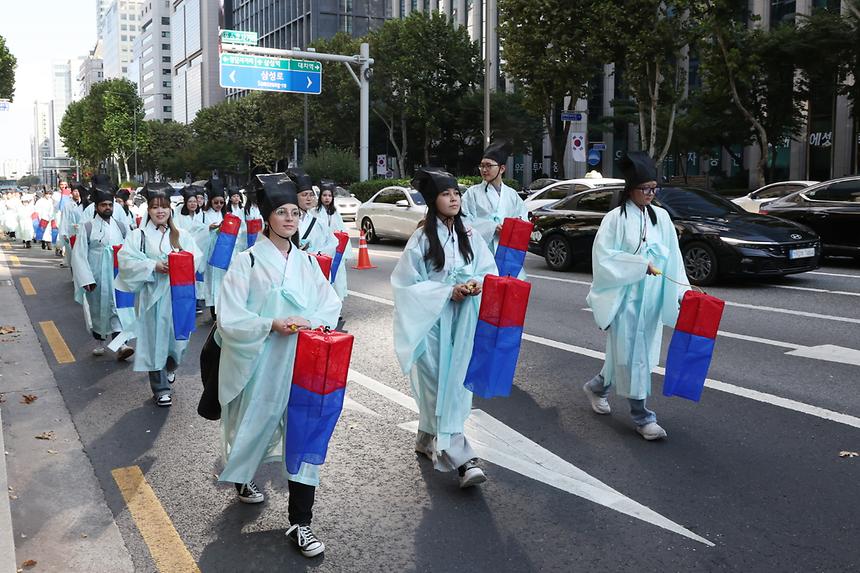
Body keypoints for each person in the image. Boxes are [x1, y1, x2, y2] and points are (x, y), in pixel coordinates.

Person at [216, 172, 341, 558]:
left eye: (294, 213)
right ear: (267, 217)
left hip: (303, 363)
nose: (290, 219)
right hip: (261, 362)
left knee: (304, 436)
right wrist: (270, 324)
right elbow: (229, 316)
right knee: (251, 426)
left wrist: (310, 322)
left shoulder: (306, 263)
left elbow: (329, 303)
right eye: (282, 212)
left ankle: (301, 522)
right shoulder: (247, 261)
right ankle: (242, 474)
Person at [391, 167, 497, 488]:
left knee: (457, 384)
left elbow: (487, 269)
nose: (453, 199)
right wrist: (445, 291)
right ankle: (463, 459)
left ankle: (427, 437)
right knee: (440, 385)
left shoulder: (470, 235)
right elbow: (405, 284)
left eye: (456, 193)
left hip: (462, 322)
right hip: (432, 323)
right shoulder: (422, 239)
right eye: (445, 194)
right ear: (432, 200)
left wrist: (475, 284)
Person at [583, 151, 689, 440]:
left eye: (654, 189)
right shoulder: (615, 219)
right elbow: (604, 257)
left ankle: (597, 387)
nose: (651, 194)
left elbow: (674, 258)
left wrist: (681, 290)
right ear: (631, 189)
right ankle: (642, 417)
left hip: (651, 298)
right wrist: (640, 265)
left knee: (629, 353)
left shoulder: (662, 218)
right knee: (633, 355)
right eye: (646, 189)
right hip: (625, 298)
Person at [116, 181, 202, 407]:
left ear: (170, 209)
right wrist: (153, 266)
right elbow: (126, 261)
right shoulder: (138, 236)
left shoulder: (181, 235)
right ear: (149, 210)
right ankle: (160, 388)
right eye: (155, 207)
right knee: (155, 342)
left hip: (179, 297)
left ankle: (171, 366)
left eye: (164, 206)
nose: (160, 211)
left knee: (178, 344)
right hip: (152, 297)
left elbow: (196, 258)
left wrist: (179, 264)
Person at [70, 183, 135, 360]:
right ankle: (99, 341)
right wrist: (86, 279)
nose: (107, 208)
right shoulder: (88, 227)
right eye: (103, 205)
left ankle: (121, 345)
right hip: (96, 275)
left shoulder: (121, 226)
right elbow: (79, 255)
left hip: (117, 274)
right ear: (96, 207)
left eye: (110, 205)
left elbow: (131, 250)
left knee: (118, 309)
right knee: (98, 310)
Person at [461, 140, 528, 261]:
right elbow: (463, 221)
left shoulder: (512, 195)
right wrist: (491, 227)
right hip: (481, 253)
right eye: (482, 166)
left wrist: (511, 228)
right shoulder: (472, 193)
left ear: (502, 169)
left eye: (489, 166)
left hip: (507, 252)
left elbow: (523, 220)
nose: (484, 170)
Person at [315, 181, 351, 300]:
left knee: (337, 278)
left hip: (335, 252)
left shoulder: (335, 213)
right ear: (320, 197)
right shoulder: (315, 212)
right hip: (320, 251)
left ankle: (337, 304)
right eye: (324, 195)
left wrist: (344, 252)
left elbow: (342, 232)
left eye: (329, 195)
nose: (327, 198)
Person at [201, 178, 227, 320]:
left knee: (224, 282)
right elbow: (198, 232)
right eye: (216, 202)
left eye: (221, 203)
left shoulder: (226, 215)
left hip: (224, 252)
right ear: (210, 201)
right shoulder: (204, 215)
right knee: (213, 282)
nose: (218, 205)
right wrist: (209, 228)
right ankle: (214, 311)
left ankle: (224, 310)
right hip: (211, 253)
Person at [57, 184, 87, 269]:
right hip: (71, 233)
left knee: (81, 256)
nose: (77, 193)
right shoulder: (67, 205)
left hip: (82, 232)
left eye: (78, 191)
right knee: (72, 256)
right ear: (71, 192)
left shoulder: (84, 204)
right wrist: (64, 233)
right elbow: (64, 219)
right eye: (75, 191)